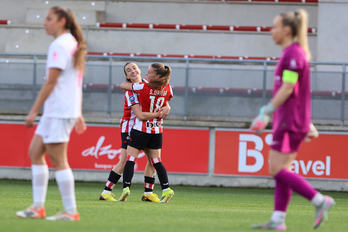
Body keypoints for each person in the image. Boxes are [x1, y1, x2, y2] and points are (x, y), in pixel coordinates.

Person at [250, 9, 334, 230]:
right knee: (281, 171)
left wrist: (266, 111)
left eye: (275, 27)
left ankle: (320, 200)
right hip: (290, 120)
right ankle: (278, 220)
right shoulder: (293, 53)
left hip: (289, 122)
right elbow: (298, 91)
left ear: (286, 30)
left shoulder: (293, 55)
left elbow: (289, 88)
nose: (271, 32)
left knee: (276, 169)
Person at [16, 6, 87, 221]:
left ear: (62, 21)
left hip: (57, 110)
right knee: (35, 153)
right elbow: (75, 81)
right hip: (59, 110)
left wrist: (33, 110)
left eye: (49, 19)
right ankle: (38, 207)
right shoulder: (72, 43)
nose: (45, 22)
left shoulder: (60, 44)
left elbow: (51, 82)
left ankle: (71, 211)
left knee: (59, 160)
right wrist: (78, 112)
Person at [99, 62, 170, 202]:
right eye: (128, 70)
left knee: (153, 160)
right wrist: (158, 114)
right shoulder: (130, 91)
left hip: (148, 127)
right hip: (131, 127)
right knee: (125, 160)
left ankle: (148, 193)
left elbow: (161, 98)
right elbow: (140, 114)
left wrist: (168, 107)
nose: (132, 71)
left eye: (134, 68)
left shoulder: (147, 83)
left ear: (139, 70)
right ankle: (106, 191)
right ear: (127, 76)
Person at [119, 63, 174, 203]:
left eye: (149, 73)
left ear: (157, 76)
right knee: (156, 161)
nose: (146, 75)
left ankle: (126, 188)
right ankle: (165, 189)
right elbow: (167, 99)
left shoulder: (143, 87)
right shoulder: (167, 86)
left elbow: (123, 86)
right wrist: (167, 108)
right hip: (157, 129)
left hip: (141, 129)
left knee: (130, 159)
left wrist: (128, 81)